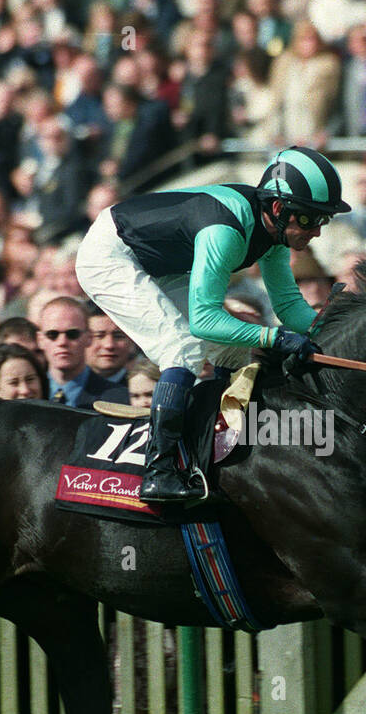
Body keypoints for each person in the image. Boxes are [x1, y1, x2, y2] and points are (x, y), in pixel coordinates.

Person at [74, 146, 349, 502]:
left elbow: (288, 304)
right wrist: (274, 337)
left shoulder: (275, 231)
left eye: (323, 221)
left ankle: (213, 451)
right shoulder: (227, 231)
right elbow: (204, 320)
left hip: (156, 263)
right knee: (183, 347)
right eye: (311, 220)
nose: (317, 233)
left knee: (233, 350)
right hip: (109, 255)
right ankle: (158, 472)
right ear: (280, 209)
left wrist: (333, 331)